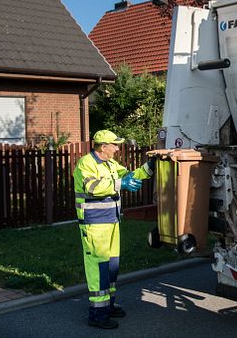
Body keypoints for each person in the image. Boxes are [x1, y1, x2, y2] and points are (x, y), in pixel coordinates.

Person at [73, 130, 153, 329]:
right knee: (99, 269)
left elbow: (128, 176)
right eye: (114, 145)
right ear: (103, 147)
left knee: (112, 266)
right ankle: (97, 315)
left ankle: (107, 305)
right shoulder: (86, 163)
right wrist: (120, 184)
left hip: (111, 221)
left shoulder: (110, 164)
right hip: (94, 224)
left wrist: (149, 167)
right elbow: (92, 187)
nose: (117, 148)